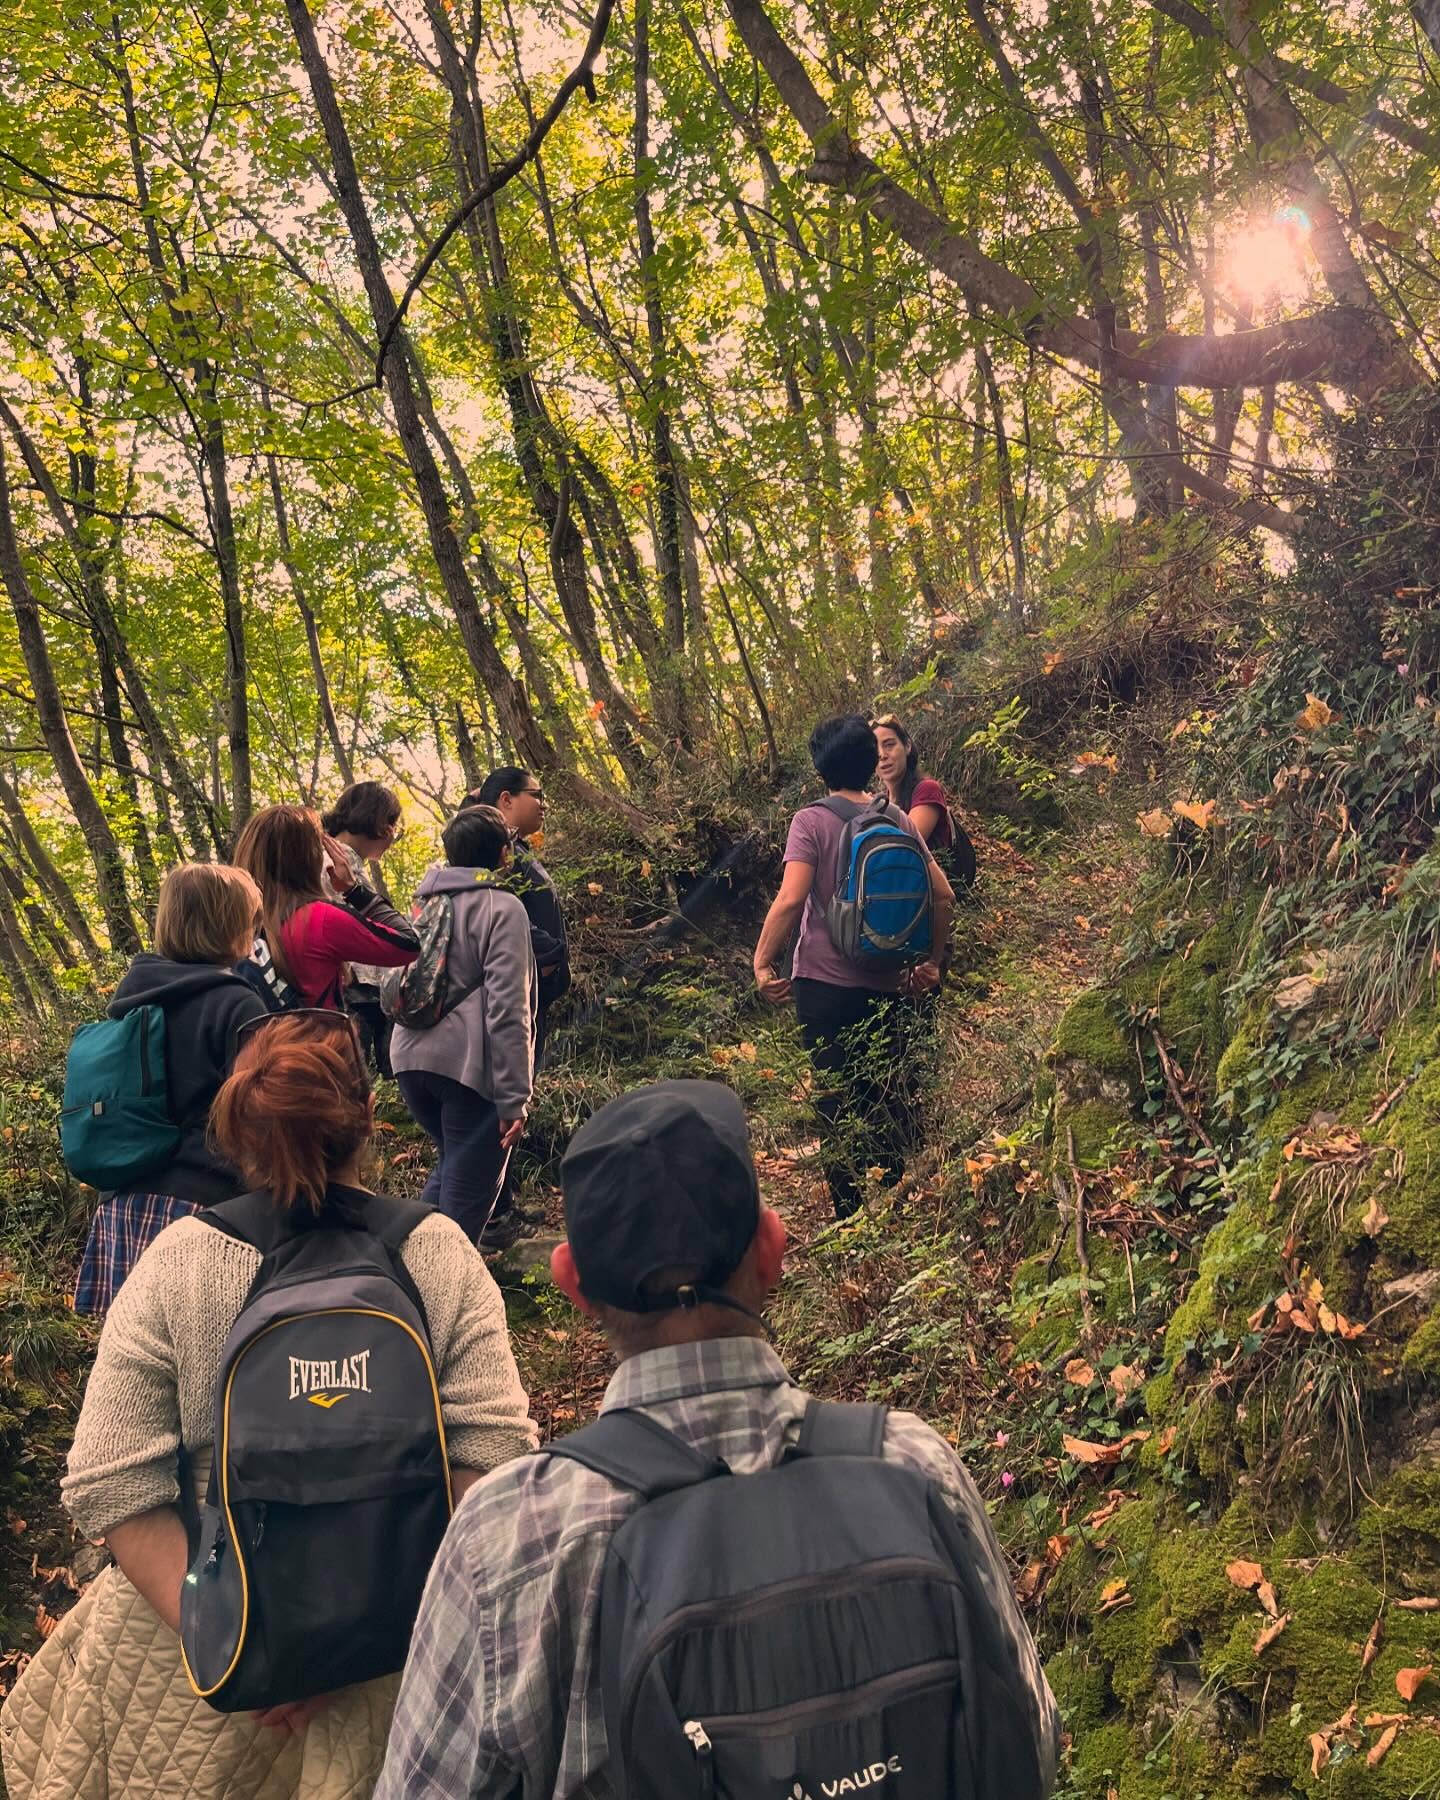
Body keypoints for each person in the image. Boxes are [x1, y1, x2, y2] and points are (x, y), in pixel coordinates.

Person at [377, 1079, 1059, 1798]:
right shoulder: (913, 1463)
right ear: (772, 1250)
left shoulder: (514, 1534)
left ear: (571, 1283)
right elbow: (1026, 1740)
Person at [0, 1012, 536, 1800]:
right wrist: (368, 1634)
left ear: (235, 1135)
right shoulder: (436, 1252)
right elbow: (495, 1465)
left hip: (198, 1675)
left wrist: (245, 1646)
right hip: (399, 1679)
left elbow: (110, 1484)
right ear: (369, 1126)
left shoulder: (177, 1262)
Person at [752, 714, 955, 1218]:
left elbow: (790, 900)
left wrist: (761, 964)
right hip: (890, 981)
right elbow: (943, 895)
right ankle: (894, 1207)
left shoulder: (811, 820)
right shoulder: (899, 819)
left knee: (836, 1100)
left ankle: (849, 1219)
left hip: (824, 986)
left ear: (819, 766)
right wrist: (930, 962)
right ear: (870, 761)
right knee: (885, 1096)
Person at [72, 862, 267, 1318]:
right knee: (210, 1358)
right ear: (232, 927)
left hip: (123, 1206)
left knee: (142, 1362)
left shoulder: (131, 1000)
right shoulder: (236, 1002)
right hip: (202, 1205)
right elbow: (259, 1111)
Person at [390, 805, 537, 1252]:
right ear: (503, 852)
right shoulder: (501, 906)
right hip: (468, 1068)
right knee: (466, 1210)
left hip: (409, 1061)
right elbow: (509, 1008)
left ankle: (400, 1267)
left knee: (454, 1169)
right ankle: (434, 1300)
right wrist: (515, 1096)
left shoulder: (424, 903)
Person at [234, 802, 418, 1011]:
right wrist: (354, 891)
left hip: (262, 1042)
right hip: (320, 1041)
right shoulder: (320, 920)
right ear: (308, 857)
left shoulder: (232, 924)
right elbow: (408, 946)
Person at [464, 767, 569, 1060]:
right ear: (507, 799)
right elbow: (491, 909)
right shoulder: (493, 856)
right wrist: (545, 959)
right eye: (536, 795)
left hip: (532, 998)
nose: (543, 804)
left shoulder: (515, 850)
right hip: (513, 1002)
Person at [321, 780, 407, 1075]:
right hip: (353, 990)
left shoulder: (344, 859)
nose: (393, 834)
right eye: (392, 824)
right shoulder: (334, 862)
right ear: (382, 824)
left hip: (364, 987)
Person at [872, 712, 978, 888]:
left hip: (930, 893)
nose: (882, 755)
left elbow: (905, 845)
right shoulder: (882, 800)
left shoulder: (927, 789)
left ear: (907, 746)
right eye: (875, 750)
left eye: (889, 745)